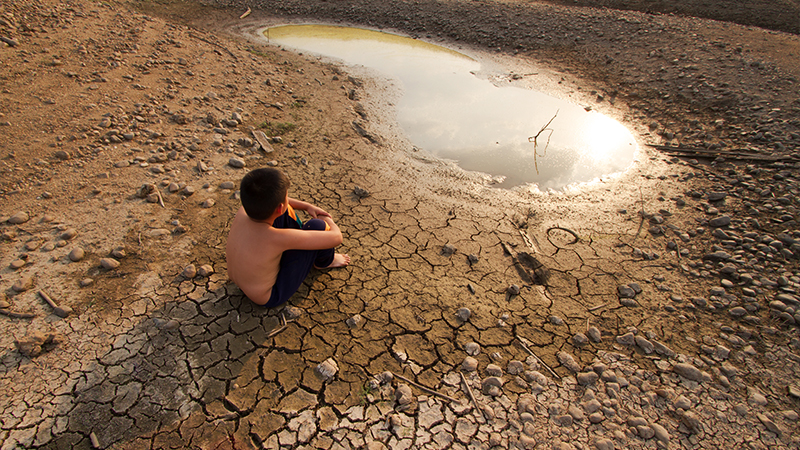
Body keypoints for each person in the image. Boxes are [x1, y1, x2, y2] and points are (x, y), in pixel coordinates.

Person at [226, 168, 350, 307]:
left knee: (284, 212)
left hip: (242, 281)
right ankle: (325, 261)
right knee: (318, 225)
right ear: (279, 206)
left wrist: (307, 206)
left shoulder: (244, 210)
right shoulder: (277, 238)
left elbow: (280, 203)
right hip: (270, 295)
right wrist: (327, 218)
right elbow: (336, 237)